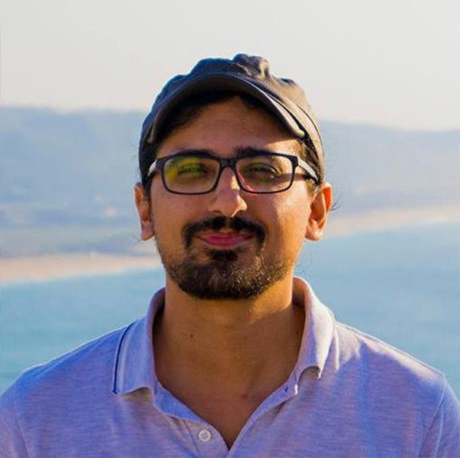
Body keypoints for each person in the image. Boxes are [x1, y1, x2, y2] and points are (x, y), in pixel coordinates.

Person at [0, 54, 459, 457]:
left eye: (263, 170)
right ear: (145, 210)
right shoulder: (35, 421)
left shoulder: (417, 416)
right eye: (191, 170)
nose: (227, 202)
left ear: (316, 211)